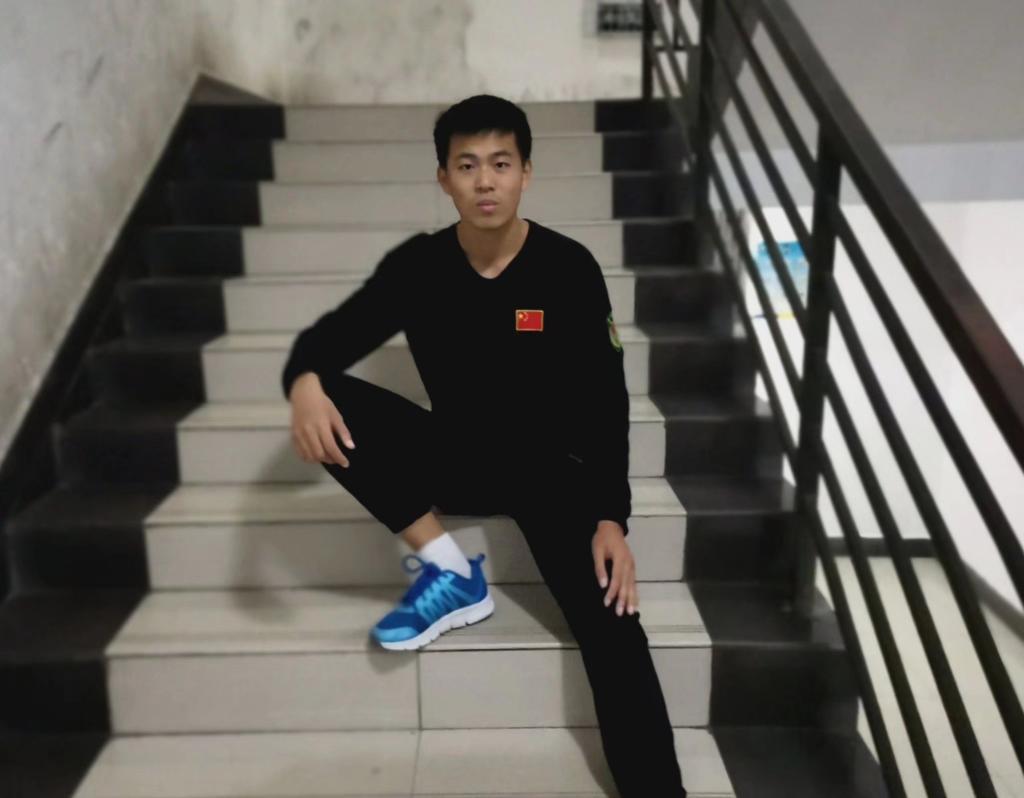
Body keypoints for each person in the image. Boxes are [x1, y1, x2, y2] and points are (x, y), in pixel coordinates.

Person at [281, 94, 686, 797]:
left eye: (501, 163)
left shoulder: (568, 267)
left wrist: (610, 518)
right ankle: (448, 569)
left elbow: (606, 402)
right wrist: (304, 380)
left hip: (552, 472)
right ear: (444, 178)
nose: (485, 181)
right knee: (326, 392)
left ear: (526, 172)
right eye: (467, 166)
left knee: (615, 626)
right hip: (457, 453)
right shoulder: (419, 265)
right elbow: (330, 339)